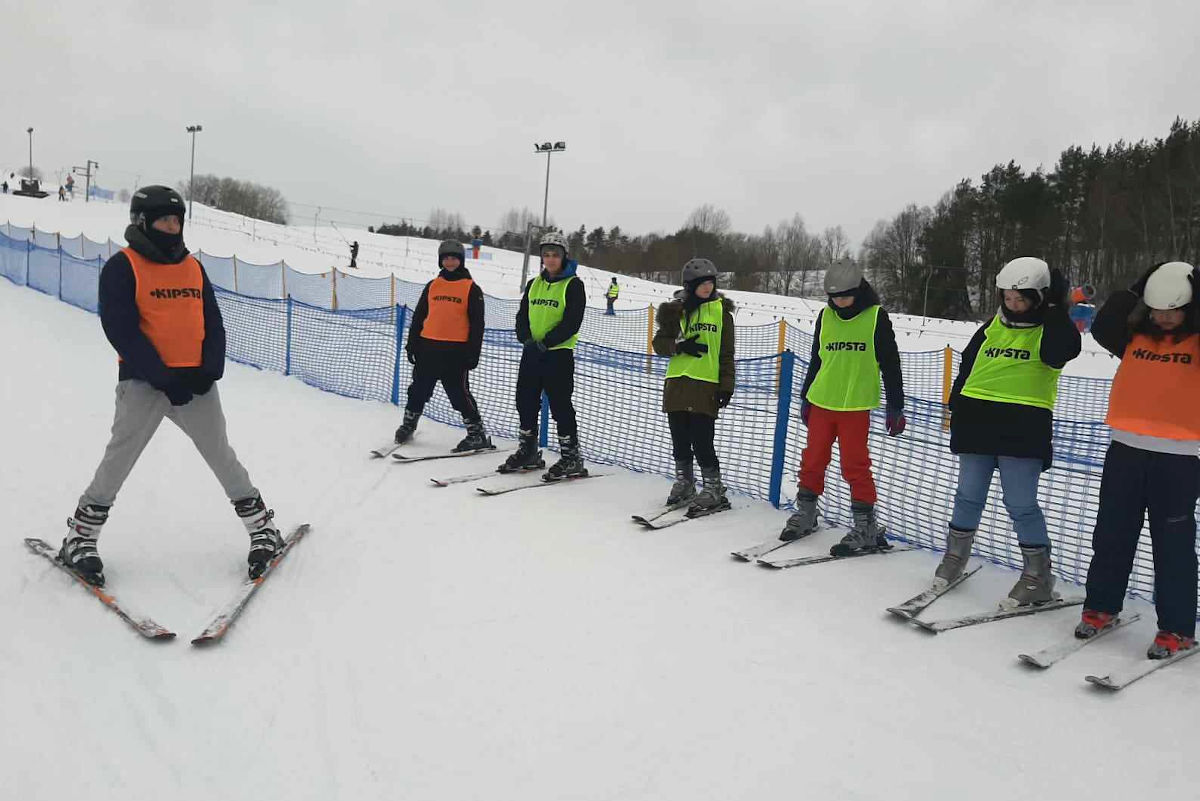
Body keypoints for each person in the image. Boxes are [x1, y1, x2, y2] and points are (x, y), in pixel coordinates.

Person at [58, 186, 284, 587]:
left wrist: (208, 369)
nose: (173, 227)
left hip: (195, 386)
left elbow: (212, 322)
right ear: (143, 223)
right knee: (119, 459)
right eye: (164, 220)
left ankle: (262, 527)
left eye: (177, 220)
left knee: (221, 455)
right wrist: (163, 377)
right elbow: (121, 331)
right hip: (144, 384)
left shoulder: (193, 267)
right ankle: (80, 537)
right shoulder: (122, 266)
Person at [933, 256, 1081, 607]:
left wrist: (1059, 308)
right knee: (968, 494)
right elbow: (969, 365)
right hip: (977, 421)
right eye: (1008, 298)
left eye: (1022, 299)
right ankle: (955, 556)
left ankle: (1037, 576)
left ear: (1041, 296)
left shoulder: (1051, 328)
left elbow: (1061, 351)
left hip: (1023, 426)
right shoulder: (991, 326)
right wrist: (957, 401)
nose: (1013, 306)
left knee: (1020, 502)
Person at [1076, 260, 1199, 658]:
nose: (1164, 317)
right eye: (1157, 308)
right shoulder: (1133, 337)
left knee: (1173, 546)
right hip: (1125, 451)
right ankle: (1101, 607)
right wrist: (1136, 287)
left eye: (1173, 309)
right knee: (1112, 535)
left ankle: (1176, 629)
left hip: (1179, 460)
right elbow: (1103, 324)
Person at [781, 259, 906, 556]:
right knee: (812, 460)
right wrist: (806, 396)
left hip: (855, 406)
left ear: (859, 290)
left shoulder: (876, 317)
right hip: (823, 401)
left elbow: (891, 364)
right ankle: (807, 514)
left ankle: (866, 527)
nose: (839, 302)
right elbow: (817, 358)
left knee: (855, 465)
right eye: (834, 297)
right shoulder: (826, 317)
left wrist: (895, 405)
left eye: (845, 296)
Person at [499, 231, 587, 480]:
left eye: (555, 255)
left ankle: (571, 457)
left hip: (558, 355)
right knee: (524, 401)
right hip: (531, 354)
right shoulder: (534, 284)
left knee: (560, 405)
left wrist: (547, 342)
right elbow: (522, 315)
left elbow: (572, 322)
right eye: (546, 255)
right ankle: (528, 450)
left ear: (563, 257)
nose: (550, 259)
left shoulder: (573, 285)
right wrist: (525, 338)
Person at [652, 258, 735, 515]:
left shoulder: (721, 313)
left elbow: (726, 353)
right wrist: (679, 346)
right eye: (701, 284)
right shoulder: (676, 310)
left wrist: (726, 385)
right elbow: (658, 344)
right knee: (680, 438)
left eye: (710, 283)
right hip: (677, 383)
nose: (707, 288)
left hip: (705, 385)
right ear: (690, 286)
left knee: (701, 440)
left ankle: (713, 488)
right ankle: (685, 482)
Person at [394, 239, 491, 453]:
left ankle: (476, 434)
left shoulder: (471, 288)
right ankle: (408, 425)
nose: (450, 262)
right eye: (446, 258)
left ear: (461, 260)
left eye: (454, 258)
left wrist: (473, 353)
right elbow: (420, 316)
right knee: (418, 390)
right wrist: (412, 344)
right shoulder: (433, 285)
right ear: (440, 260)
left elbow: (477, 324)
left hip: (455, 352)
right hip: (428, 348)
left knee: (459, 394)